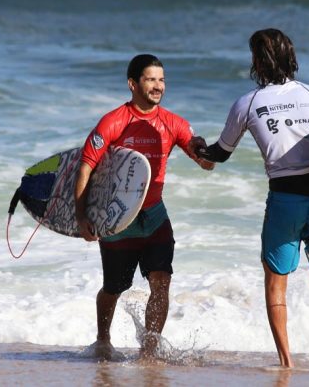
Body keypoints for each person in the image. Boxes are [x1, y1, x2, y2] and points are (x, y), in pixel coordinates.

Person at [192, 29, 309, 372]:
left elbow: (220, 154)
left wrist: (196, 146)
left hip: (286, 203)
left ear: (257, 61)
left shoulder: (248, 103)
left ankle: (286, 362)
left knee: (275, 281)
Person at [75, 54, 213, 360]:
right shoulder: (113, 122)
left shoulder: (172, 123)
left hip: (153, 217)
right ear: (133, 84)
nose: (158, 86)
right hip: (119, 219)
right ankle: (103, 340)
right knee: (113, 287)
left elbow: (205, 163)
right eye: (151, 79)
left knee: (161, 281)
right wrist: (82, 215)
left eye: (162, 79)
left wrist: (208, 150)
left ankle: (149, 348)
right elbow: (85, 167)